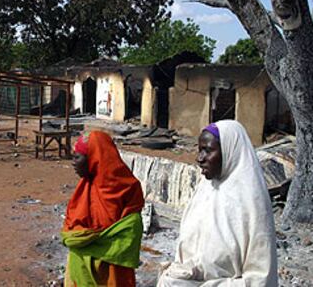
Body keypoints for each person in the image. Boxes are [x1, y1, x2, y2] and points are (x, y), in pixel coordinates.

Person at [157, 120, 278, 286]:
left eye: (208, 150)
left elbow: (260, 279)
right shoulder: (204, 191)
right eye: (199, 150)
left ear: (229, 151)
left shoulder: (251, 204)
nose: (199, 159)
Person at [61, 131, 144, 286]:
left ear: (94, 158)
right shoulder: (85, 188)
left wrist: (99, 241)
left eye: (77, 157)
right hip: (82, 266)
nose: (73, 162)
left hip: (113, 267)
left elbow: (131, 229)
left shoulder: (128, 189)